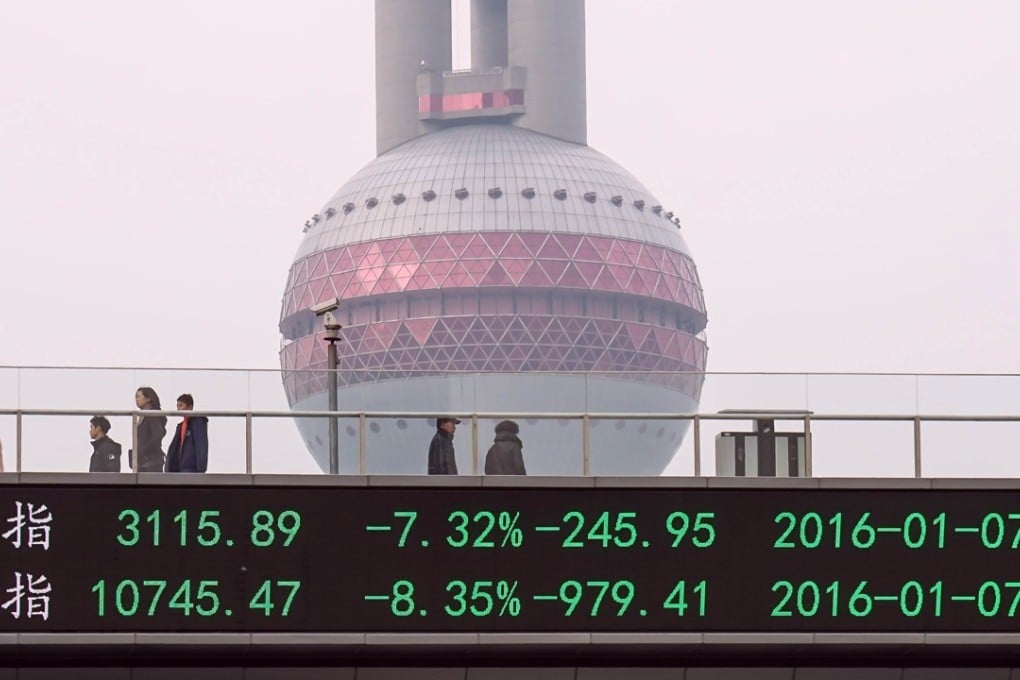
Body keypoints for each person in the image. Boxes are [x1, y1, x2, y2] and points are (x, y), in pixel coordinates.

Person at [165, 393, 209, 473]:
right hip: (178, 469)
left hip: (190, 469)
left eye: (181, 405)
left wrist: (201, 468)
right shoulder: (181, 426)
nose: (178, 409)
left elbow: (201, 444)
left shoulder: (197, 422)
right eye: (177, 406)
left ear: (190, 407)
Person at [129, 386, 167, 472]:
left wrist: (142, 450)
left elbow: (157, 435)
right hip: (144, 461)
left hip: (150, 461)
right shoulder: (143, 416)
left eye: (138, 396)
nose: (136, 399)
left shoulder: (152, 415)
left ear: (148, 398)